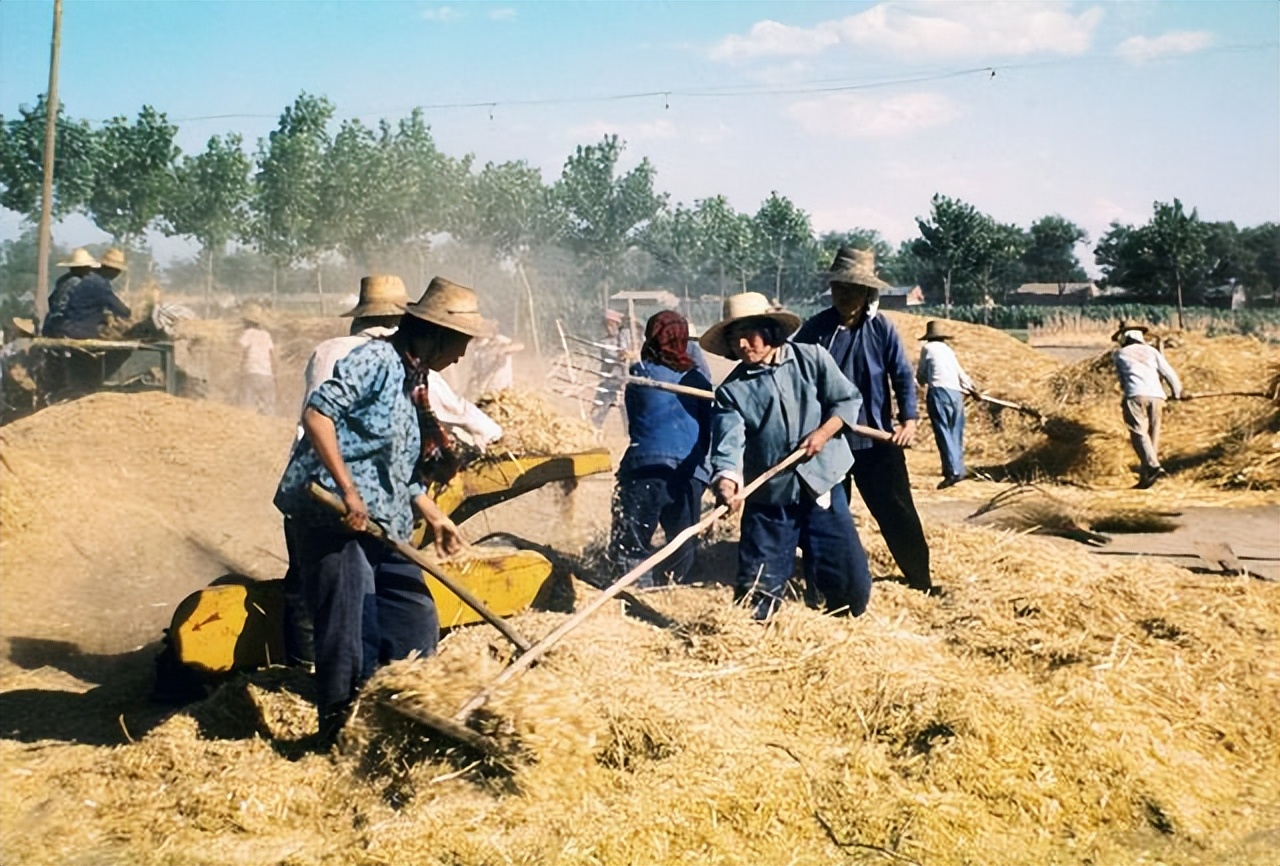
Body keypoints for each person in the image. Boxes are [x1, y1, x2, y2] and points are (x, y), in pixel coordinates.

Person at [274, 276, 493, 748]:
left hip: (383, 521)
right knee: (349, 628)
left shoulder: (414, 382)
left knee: (412, 615)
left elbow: (396, 463)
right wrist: (349, 491)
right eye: (459, 345)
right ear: (433, 333)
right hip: (333, 516)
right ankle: (341, 732)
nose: (460, 357)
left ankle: (400, 707)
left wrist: (432, 513)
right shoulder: (374, 361)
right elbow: (318, 414)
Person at [701, 292, 872, 622]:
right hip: (771, 495)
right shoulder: (731, 392)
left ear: (769, 330)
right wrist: (727, 480)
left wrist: (823, 434)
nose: (742, 346)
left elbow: (846, 400)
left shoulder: (811, 359)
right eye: (734, 339)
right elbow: (729, 444)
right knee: (758, 584)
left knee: (846, 575)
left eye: (748, 334)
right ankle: (756, 628)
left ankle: (842, 618)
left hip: (820, 483)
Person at [793, 247, 935, 595]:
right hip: (828, 441)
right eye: (840, 287)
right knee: (825, 516)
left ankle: (920, 580)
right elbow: (795, 378)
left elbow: (902, 376)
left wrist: (910, 421)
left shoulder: (882, 329)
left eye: (854, 288)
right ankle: (825, 587)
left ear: (868, 292)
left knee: (897, 512)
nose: (845, 295)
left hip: (876, 441)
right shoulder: (815, 331)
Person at [608, 311, 713, 587]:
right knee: (683, 544)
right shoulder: (700, 382)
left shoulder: (639, 374)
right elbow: (708, 429)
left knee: (631, 544)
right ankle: (673, 586)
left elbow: (633, 422)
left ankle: (635, 589)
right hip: (690, 473)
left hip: (645, 468)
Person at [1112, 321, 1183, 489]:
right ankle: (1147, 476)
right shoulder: (1153, 352)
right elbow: (1169, 374)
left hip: (1135, 394)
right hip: (1157, 396)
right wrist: (1177, 393)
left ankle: (1153, 465)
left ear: (1125, 337)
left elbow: (1121, 380)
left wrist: (1123, 392)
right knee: (1153, 433)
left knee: (1138, 432)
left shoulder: (1120, 354)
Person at [916, 320, 978, 489]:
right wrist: (972, 388)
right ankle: (959, 468)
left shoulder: (927, 349)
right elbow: (960, 373)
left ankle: (952, 472)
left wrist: (920, 381)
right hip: (956, 393)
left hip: (939, 392)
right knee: (956, 431)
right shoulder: (949, 351)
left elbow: (921, 374)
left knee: (943, 431)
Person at [44, 248, 131, 340]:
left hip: (62, 325)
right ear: (113, 270)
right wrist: (130, 314)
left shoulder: (77, 280)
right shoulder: (99, 284)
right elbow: (119, 308)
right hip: (76, 329)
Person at [591, 309, 635, 428]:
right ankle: (595, 427)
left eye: (611, 324)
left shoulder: (625, 336)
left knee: (627, 409)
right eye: (607, 325)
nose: (608, 328)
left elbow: (634, 350)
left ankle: (628, 432)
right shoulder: (605, 342)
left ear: (616, 324)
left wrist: (631, 353)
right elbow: (613, 355)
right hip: (610, 379)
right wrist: (624, 354)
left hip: (626, 379)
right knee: (603, 406)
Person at [42, 248, 98, 337]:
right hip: (65, 325)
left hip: (52, 324)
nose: (89, 270)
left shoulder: (63, 280)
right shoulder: (77, 282)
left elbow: (51, 300)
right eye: (87, 268)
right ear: (81, 268)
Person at [237, 305, 277, 415]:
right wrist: (274, 374)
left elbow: (241, 353)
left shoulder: (247, 334)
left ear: (247, 322)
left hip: (251, 373)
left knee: (247, 406)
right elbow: (272, 355)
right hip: (267, 375)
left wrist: (238, 370)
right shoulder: (266, 335)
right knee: (268, 407)